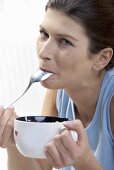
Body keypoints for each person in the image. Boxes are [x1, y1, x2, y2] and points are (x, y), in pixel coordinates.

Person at [0, 0, 114, 170]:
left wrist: (83, 161)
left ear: (102, 58)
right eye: (44, 34)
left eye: (65, 41)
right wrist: (14, 143)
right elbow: (42, 166)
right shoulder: (59, 91)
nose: (43, 52)